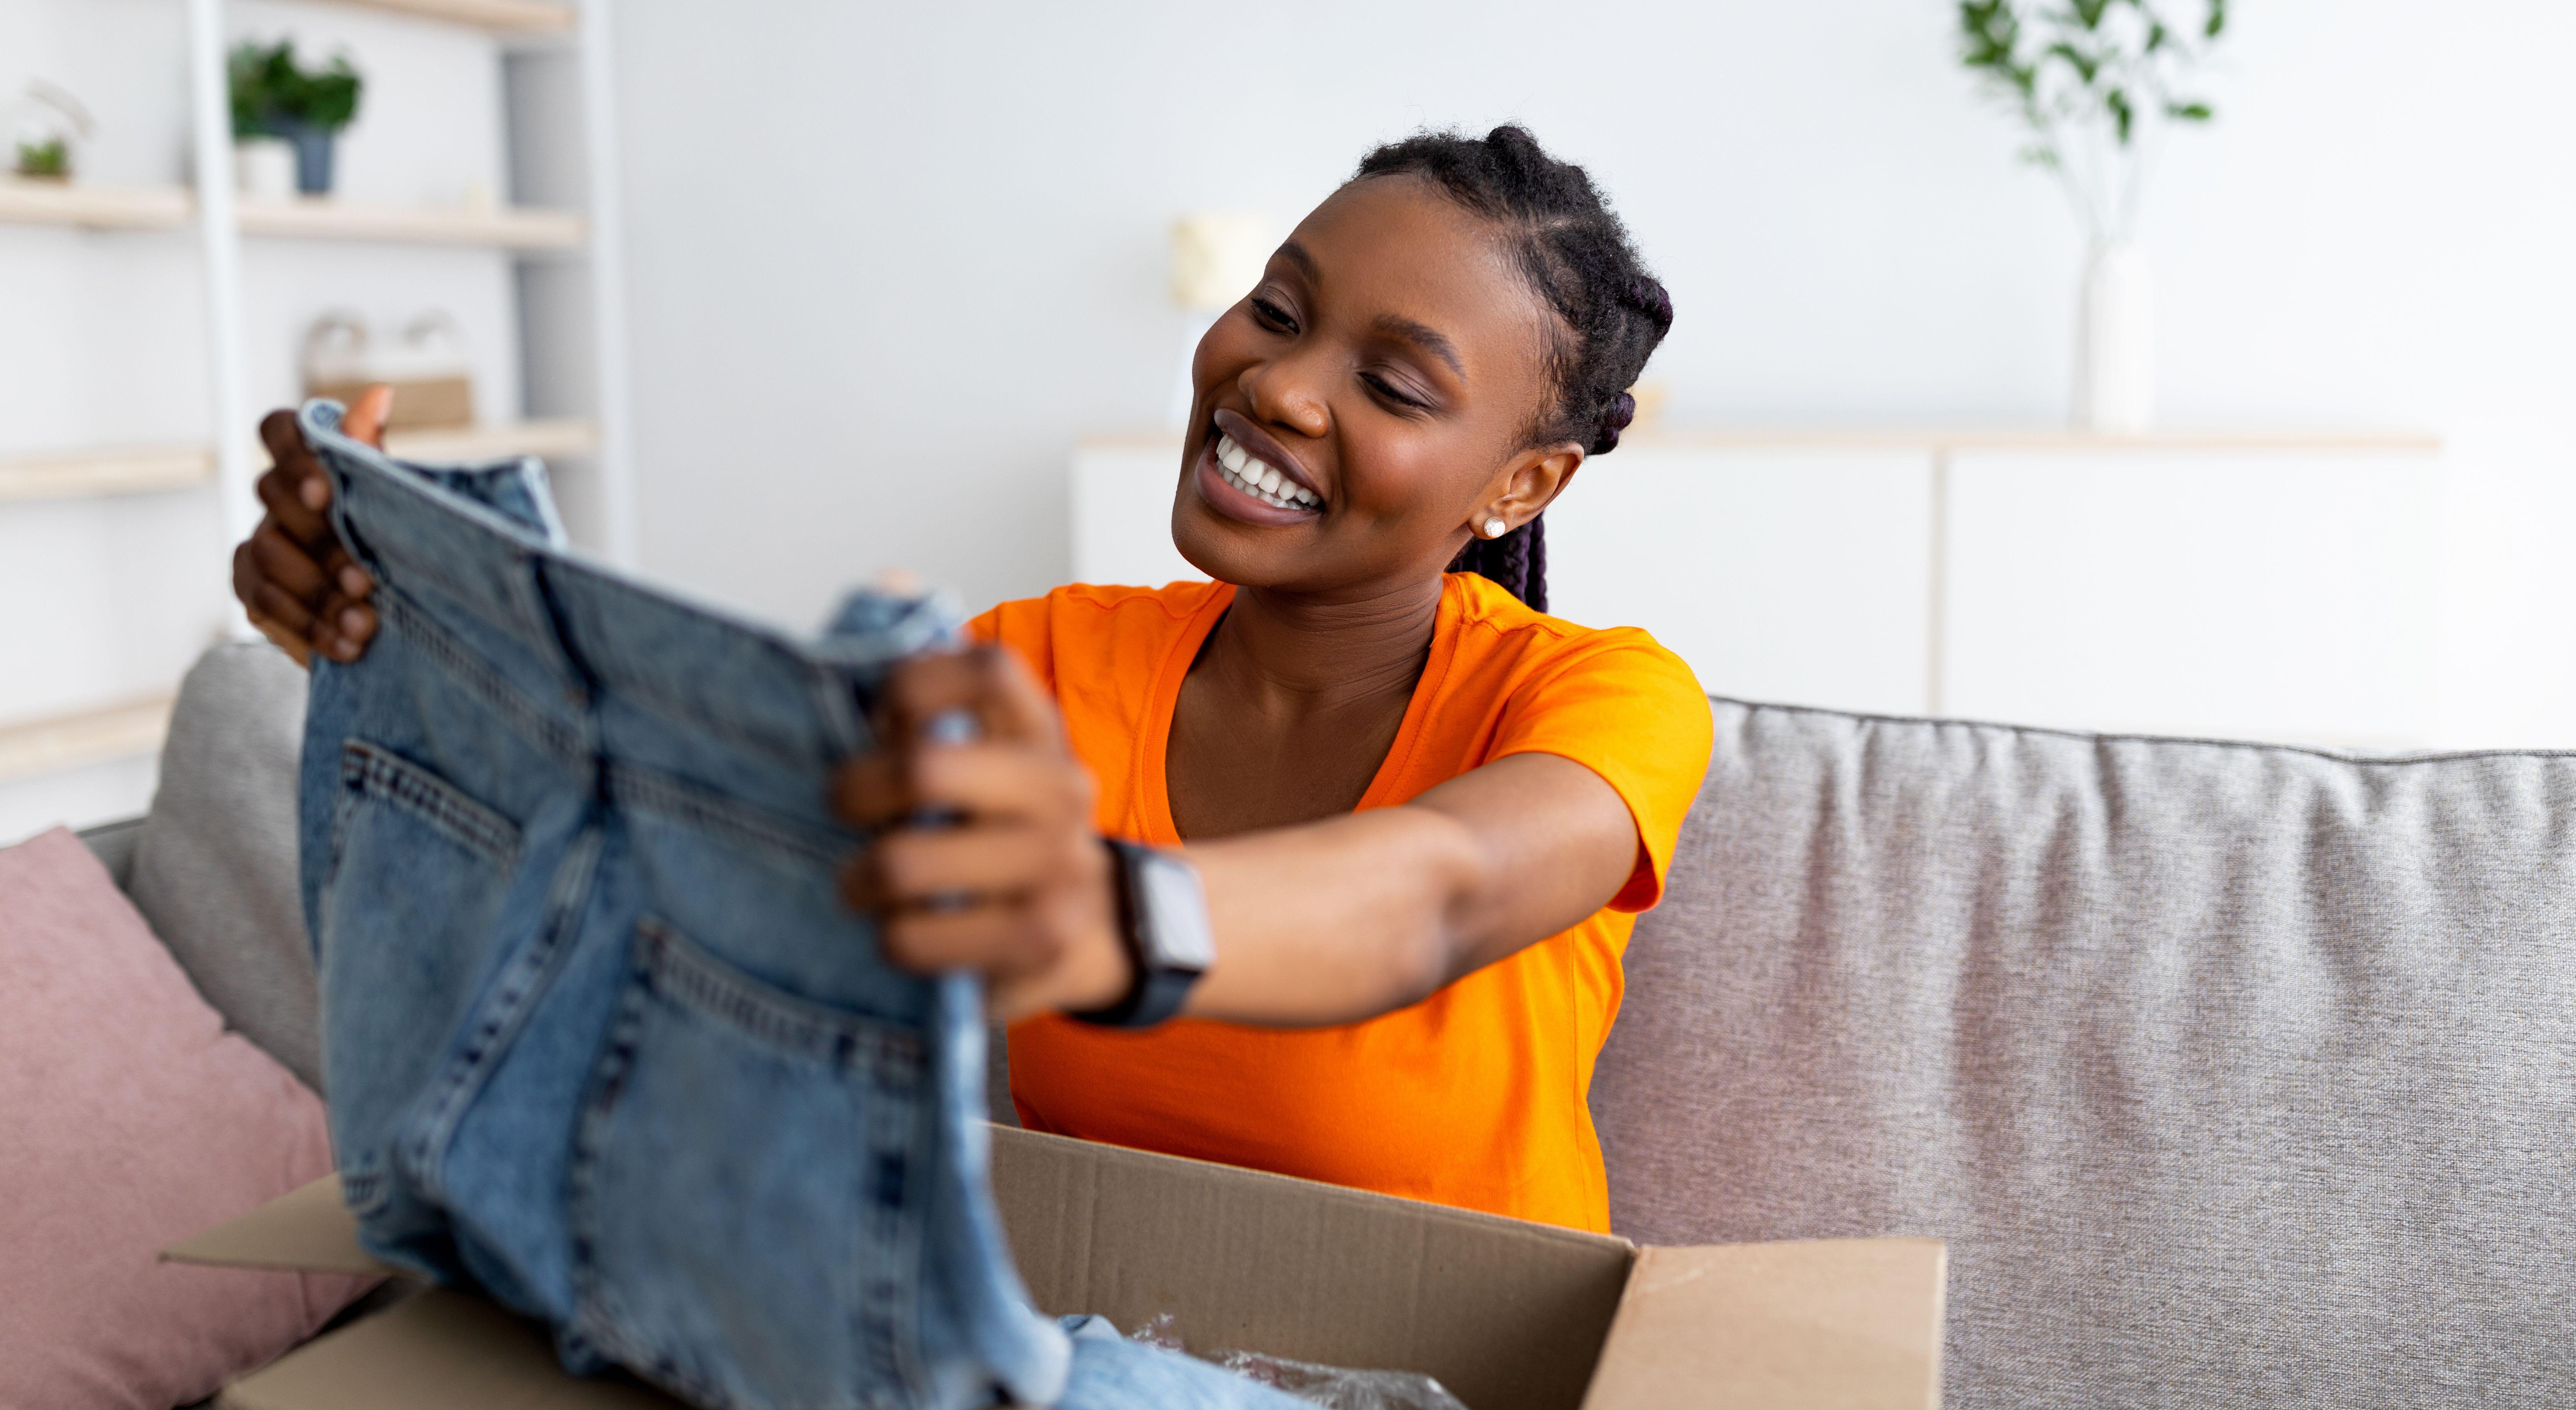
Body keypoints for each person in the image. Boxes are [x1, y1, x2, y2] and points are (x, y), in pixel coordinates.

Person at [233, 125, 1714, 1234]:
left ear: (1521, 484)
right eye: (1278, 309)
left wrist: (1106, 912)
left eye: (1391, 385)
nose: (1276, 384)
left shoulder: (1602, 700)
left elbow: (1441, 891)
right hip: (1120, 1380)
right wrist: (390, 625)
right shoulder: (1038, 665)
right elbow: (678, 847)